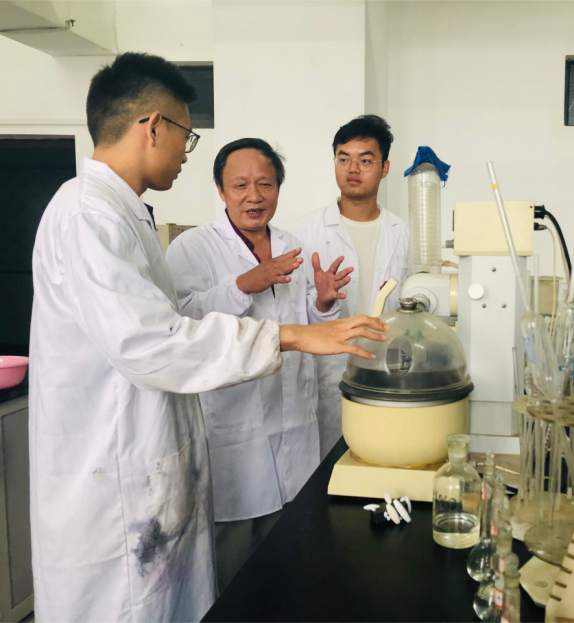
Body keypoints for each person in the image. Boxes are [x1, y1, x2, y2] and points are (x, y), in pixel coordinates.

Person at [28, 53, 385, 623]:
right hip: (114, 484)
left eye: (265, 183)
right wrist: (290, 335)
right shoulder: (87, 215)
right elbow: (156, 342)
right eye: (186, 136)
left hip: (160, 464)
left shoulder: (125, 214)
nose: (184, 153)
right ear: (153, 126)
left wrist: (313, 313)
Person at [166, 138, 352, 592]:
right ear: (220, 189)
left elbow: (306, 327)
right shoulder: (191, 248)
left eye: (265, 184)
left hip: (296, 422)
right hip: (233, 432)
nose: (254, 196)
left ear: (278, 188)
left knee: (295, 559)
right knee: (235, 570)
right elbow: (179, 324)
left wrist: (323, 302)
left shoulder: (291, 245)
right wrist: (243, 284)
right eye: (241, 185)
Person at [292, 115, 410, 457]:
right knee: (327, 466)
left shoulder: (401, 232)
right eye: (343, 159)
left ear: (385, 168)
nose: (352, 169)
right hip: (326, 374)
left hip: (384, 369)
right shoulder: (305, 231)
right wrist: (323, 302)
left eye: (365, 160)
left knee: (380, 457)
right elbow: (292, 313)